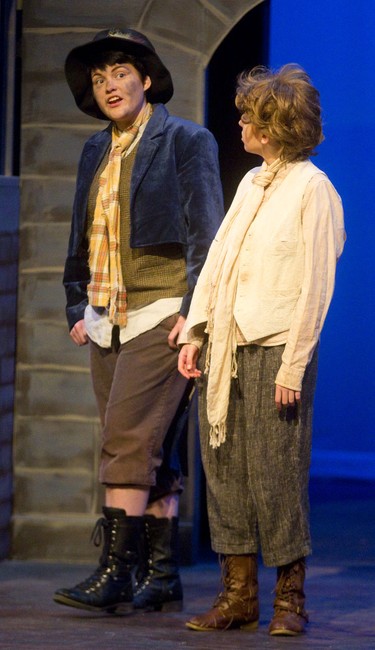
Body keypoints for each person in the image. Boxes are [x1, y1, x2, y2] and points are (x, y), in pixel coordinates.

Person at [53, 27, 223, 614]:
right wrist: (79, 305)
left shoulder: (185, 140)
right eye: (99, 79)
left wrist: (195, 316)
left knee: (126, 439)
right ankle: (162, 576)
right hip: (108, 314)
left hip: (162, 311)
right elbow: (79, 233)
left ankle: (115, 574)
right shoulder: (95, 149)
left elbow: (207, 233)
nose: (108, 86)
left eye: (119, 73)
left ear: (146, 79)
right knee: (151, 448)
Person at [178, 64, 346, 636]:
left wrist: (294, 365)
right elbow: (220, 260)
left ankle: (289, 600)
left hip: (277, 349)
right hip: (228, 346)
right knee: (225, 471)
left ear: (272, 127)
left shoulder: (313, 189)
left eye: (249, 116)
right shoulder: (253, 182)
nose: (241, 123)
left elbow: (316, 286)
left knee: (277, 475)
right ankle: (238, 596)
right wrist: (195, 331)